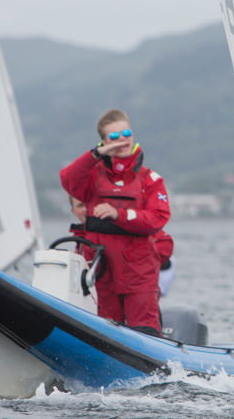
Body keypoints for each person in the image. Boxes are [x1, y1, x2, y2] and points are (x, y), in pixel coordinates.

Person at [60, 109, 170, 336]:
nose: (122, 139)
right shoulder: (91, 177)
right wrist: (95, 155)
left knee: (145, 332)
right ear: (103, 142)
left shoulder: (150, 179)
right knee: (105, 333)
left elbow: (158, 217)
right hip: (103, 272)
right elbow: (68, 179)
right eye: (114, 136)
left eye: (126, 133)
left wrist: (118, 214)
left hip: (138, 274)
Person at [68, 195, 175, 298]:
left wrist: (131, 260)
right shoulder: (79, 239)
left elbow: (164, 243)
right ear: (73, 211)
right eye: (81, 205)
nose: (87, 208)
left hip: (132, 297)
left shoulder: (122, 225)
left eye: (90, 203)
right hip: (94, 301)